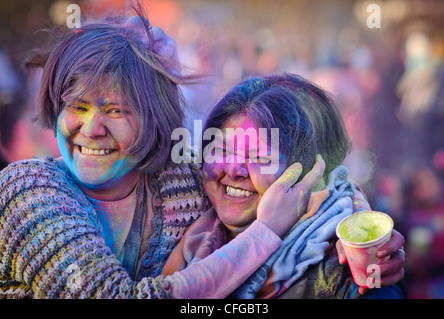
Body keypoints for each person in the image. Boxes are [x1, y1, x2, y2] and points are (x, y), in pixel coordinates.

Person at [0, 15, 326, 299]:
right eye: (77, 107)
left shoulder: (177, 179)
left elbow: (294, 185)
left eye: (116, 110)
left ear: (153, 119)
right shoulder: (27, 191)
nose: (92, 128)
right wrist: (265, 233)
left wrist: (364, 237)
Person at [161, 73, 407, 298]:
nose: (233, 170)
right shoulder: (182, 222)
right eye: (222, 149)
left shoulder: (350, 272)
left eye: (260, 157)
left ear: (310, 175)